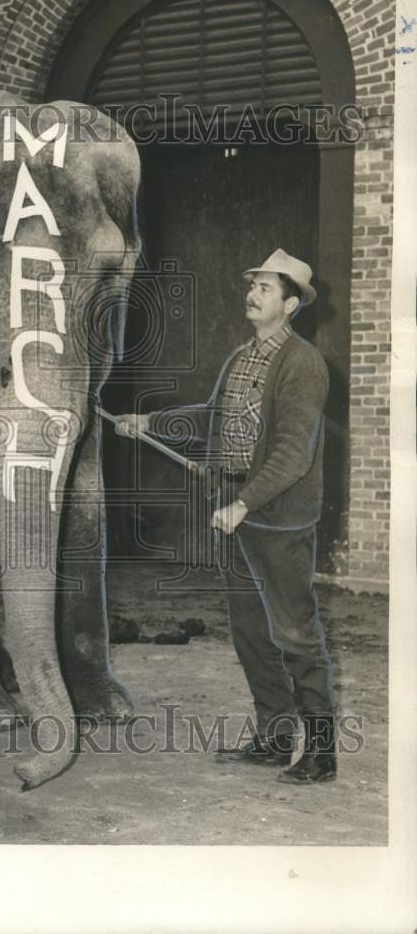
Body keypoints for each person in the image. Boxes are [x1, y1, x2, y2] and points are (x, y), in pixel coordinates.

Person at [115, 249, 337, 785]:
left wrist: (242, 504)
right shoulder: (242, 357)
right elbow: (213, 417)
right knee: (251, 633)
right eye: (252, 284)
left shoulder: (303, 363)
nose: (252, 293)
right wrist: (151, 421)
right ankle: (276, 736)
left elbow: (291, 454)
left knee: (296, 634)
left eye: (264, 287)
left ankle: (323, 754)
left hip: (275, 518)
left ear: (290, 303)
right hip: (239, 512)